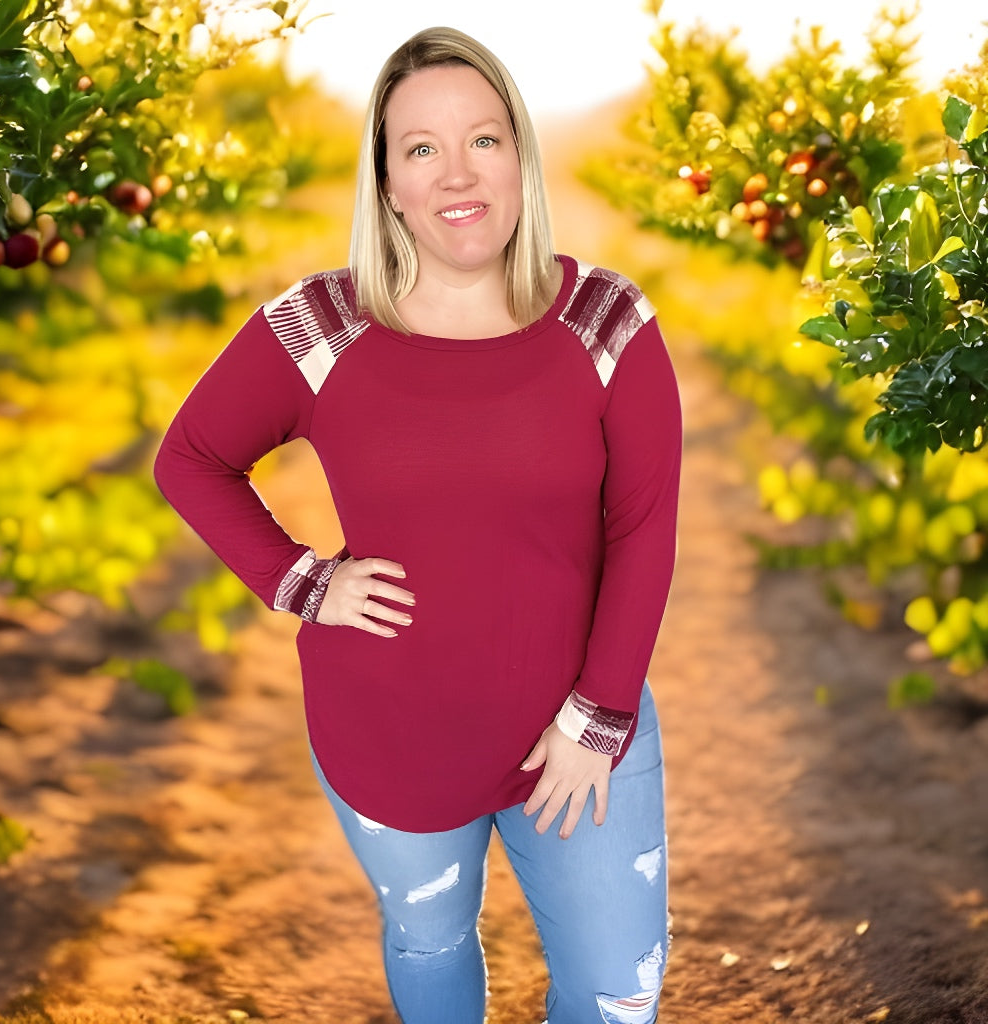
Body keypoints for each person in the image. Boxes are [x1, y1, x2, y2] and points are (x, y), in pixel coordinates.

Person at [154, 25, 681, 1024]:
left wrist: (597, 716)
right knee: (431, 939)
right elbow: (190, 459)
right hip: (389, 730)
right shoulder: (320, 324)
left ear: (520, 156)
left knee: (617, 990)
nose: (457, 174)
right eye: (421, 148)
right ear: (387, 181)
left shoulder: (607, 321)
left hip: (575, 732)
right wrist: (302, 580)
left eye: (483, 139)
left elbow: (642, 531)